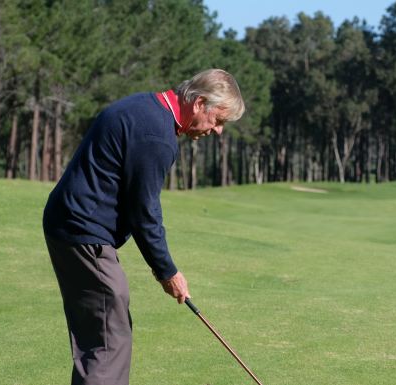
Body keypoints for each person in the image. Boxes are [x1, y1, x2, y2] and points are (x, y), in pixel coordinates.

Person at [43, 69, 245, 385]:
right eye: (218, 120)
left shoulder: (145, 106)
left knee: (99, 337)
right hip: (85, 232)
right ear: (199, 103)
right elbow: (145, 213)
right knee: (109, 342)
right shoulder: (156, 136)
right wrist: (168, 272)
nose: (218, 131)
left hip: (68, 224)